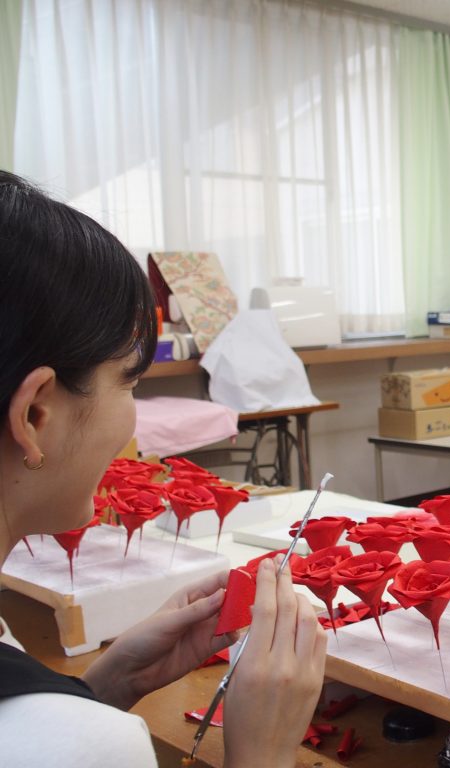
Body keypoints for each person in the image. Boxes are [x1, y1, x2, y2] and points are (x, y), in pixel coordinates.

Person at [0, 171, 326, 767]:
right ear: (37, 414)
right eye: (130, 383)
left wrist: (102, 688)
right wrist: (262, 754)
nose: (133, 423)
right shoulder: (70, 744)